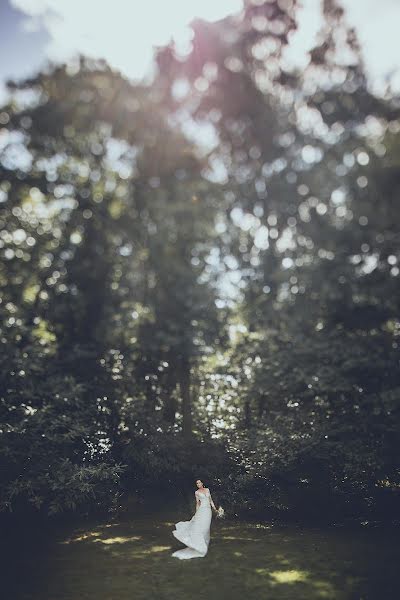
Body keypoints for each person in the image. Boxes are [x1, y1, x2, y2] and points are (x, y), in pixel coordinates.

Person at [171, 478, 218, 559]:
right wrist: (197, 513)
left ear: (202, 483)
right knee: (201, 526)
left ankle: (204, 543)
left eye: (199, 483)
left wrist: (214, 508)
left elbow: (210, 500)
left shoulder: (207, 490)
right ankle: (199, 544)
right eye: (197, 484)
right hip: (202, 510)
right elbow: (197, 503)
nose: (198, 484)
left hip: (208, 510)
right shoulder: (197, 492)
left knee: (206, 527)